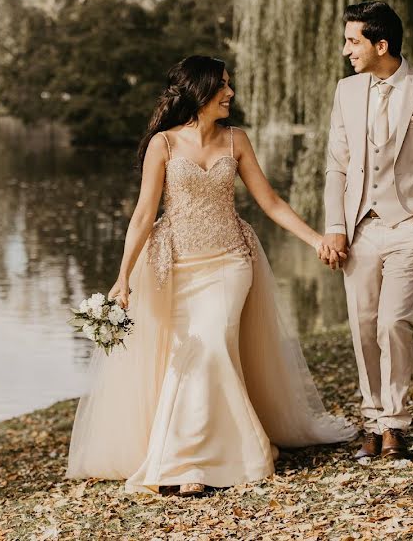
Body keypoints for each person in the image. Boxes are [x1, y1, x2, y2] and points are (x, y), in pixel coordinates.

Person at [66, 55, 358, 496]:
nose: (230, 92)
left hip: (230, 262)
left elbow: (271, 202)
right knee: (189, 355)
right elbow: (144, 214)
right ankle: (202, 458)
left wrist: (315, 238)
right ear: (199, 91)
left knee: (214, 344)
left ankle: (195, 462)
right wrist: (123, 276)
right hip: (175, 266)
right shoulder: (162, 145)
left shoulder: (236, 140)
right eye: (222, 85)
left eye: (229, 84)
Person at [319, 1, 413, 461]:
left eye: (353, 41)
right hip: (361, 227)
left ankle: (396, 426)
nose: (346, 50)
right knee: (363, 327)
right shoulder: (346, 92)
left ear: (381, 44)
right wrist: (336, 227)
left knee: (393, 323)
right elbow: (336, 167)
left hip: (409, 226)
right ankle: (372, 420)